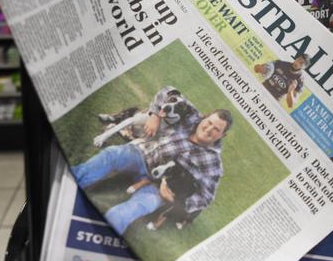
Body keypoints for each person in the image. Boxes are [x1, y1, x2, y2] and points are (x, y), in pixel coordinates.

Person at [71, 88, 232, 235]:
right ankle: (70, 183)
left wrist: (177, 200)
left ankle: (101, 236)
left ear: (222, 136)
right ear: (204, 118)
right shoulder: (191, 116)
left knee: (133, 209)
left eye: (216, 129)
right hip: (142, 155)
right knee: (111, 155)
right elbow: (168, 91)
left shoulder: (213, 163)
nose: (209, 129)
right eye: (209, 122)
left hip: (159, 186)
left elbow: (206, 197)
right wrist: (155, 115)